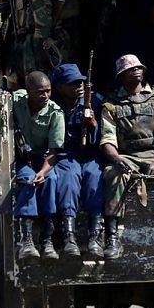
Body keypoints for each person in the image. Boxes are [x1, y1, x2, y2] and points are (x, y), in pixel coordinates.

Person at [100, 54, 154, 261]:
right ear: (121, 76)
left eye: (139, 68)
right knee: (113, 175)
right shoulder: (111, 104)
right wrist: (118, 160)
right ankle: (112, 238)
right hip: (127, 155)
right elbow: (107, 140)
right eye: (131, 69)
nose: (137, 71)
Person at [51, 63, 106, 258]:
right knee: (68, 179)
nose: (80, 85)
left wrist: (92, 125)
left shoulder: (96, 102)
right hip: (67, 155)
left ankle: (95, 237)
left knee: (95, 177)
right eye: (73, 83)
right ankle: (69, 237)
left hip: (91, 154)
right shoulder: (52, 105)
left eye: (81, 81)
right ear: (60, 87)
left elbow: (106, 137)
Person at [12, 71, 64, 260]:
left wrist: (43, 171)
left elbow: (53, 153)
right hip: (21, 158)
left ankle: (47, 240)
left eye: (48, 91)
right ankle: (27, 240)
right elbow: (4, 93)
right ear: (29, 91)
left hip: (44, 160)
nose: (45, 96)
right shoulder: (17, 100)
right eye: (40, 92)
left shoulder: (55, 113)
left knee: (50, 180)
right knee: (27, 180)